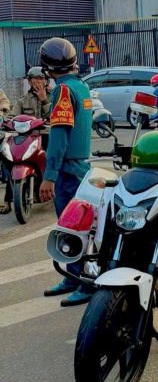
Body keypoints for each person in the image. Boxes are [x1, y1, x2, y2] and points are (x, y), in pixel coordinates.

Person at [37, 38, 94, 306]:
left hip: (68, 172)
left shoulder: (61, 91)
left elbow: (59, 137)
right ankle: (72, 277)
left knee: (72, 229)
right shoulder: (82, 86)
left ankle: (83, 280)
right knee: (73, 226)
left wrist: (49, 176)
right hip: (81, 167)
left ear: (46, 65)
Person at [0, 68, 52, 215]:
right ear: (29, 81)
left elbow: (55, 116)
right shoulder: (22, 100)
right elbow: (11, 117)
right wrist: (4, 122)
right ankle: (8, 201)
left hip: (46, 136)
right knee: (9, 160)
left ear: (46, 80)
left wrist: (44, 100)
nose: (38, 81)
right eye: (34, 79)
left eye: (41, 79)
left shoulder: (53, 96)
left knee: (54, 159)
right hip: (26, 138)